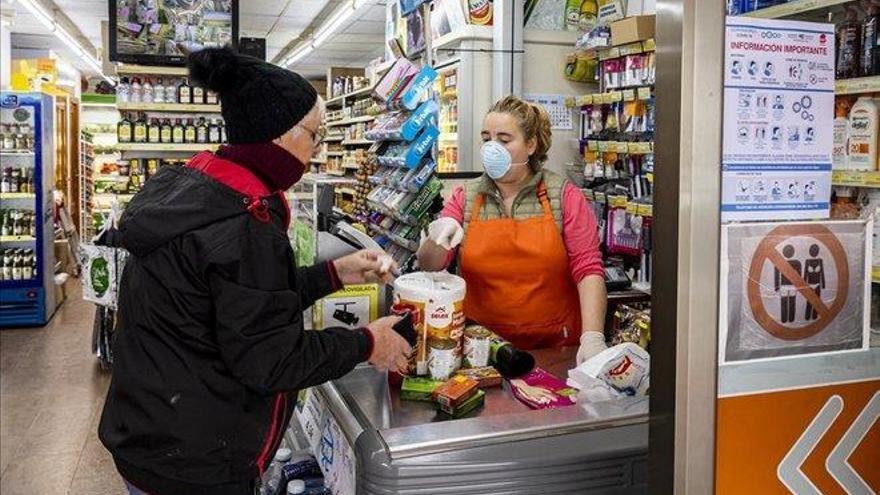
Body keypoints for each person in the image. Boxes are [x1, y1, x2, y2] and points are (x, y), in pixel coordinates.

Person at [98, 47, 412, 495]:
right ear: (278, 137)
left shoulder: (197, 189)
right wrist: (368, 342)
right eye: (314, 136)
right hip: (196, 459)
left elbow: (240, 303)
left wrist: (333, 274)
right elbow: (271, 361)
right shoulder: (244, 224)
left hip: (153, 427)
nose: (316, 149)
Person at [417, 95, 607, 364]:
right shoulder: (466, 197)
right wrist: (437, 238)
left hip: (554, 348)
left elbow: (588, 269)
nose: (491, 148)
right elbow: (430, 266)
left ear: (531, 145)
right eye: (486, 139)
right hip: (481, 350)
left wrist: (593, 337)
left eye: (504, 140)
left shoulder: (563, 196)